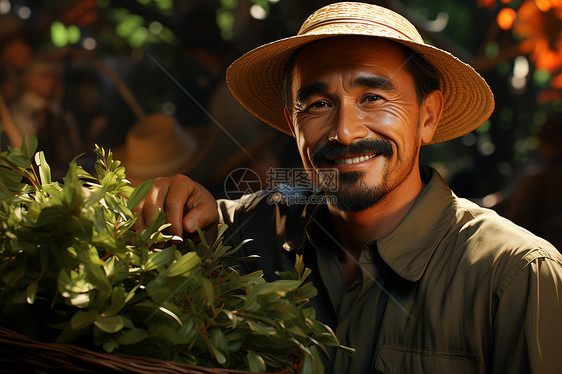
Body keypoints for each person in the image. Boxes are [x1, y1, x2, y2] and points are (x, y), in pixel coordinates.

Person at [136, 3, 562, 373]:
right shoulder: (253, 231)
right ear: (293, 124)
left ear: (428, 117)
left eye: (374, 98)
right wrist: (172, 198)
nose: (344, 132)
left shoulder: (514, 275)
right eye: (319, 104)